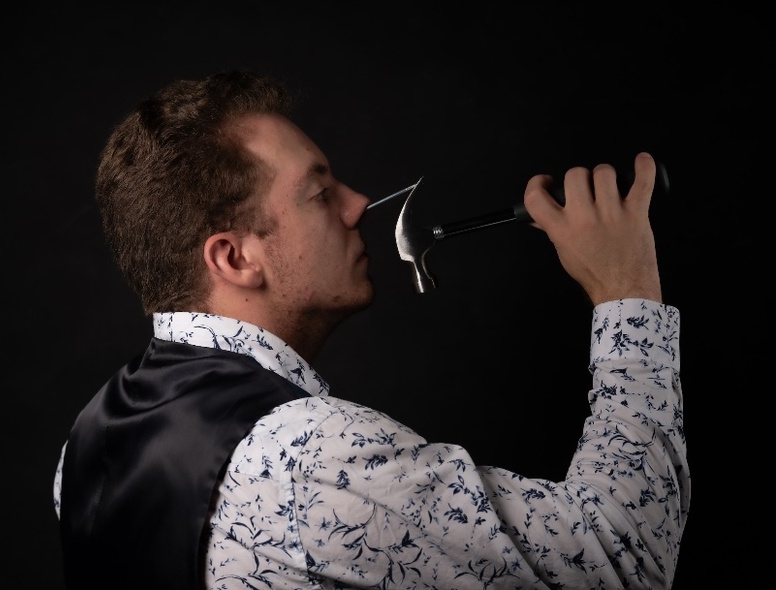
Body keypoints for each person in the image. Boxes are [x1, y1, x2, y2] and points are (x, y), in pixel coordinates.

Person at [53, 70, 689, 589]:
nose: (358, 206)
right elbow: (621, 559)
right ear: (236, 258)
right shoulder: (309, 455)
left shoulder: (89, 442)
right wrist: (626, 290)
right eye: (320, 193)